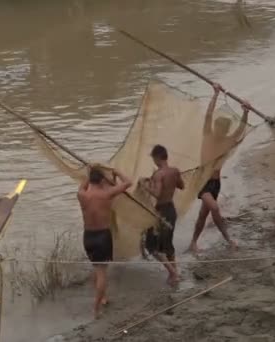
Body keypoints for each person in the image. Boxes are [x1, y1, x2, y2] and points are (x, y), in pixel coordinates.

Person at [189, 82, 251, 253]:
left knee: (203, 215)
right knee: (215, 208)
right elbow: (208, 114)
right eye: (217, 127)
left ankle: (193, 243)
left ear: (224, 131)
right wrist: (215, 94)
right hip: (202, 181)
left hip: (215, 183)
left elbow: (240, 130)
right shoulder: (207, 134)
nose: (218, 131)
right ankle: (229, 240)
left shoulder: (226, 141)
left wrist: (246, 112)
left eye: (222, 129)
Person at [77, 164, 132, 319]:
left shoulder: (81, 194)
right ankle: (95, 309)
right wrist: (117, 171)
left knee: (96, 269)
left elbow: (84, 184)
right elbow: (128, 182)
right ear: (102, 181)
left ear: (90, 180)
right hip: (102, 236)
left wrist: (89, 172)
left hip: (88, 236)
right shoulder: (107, 194)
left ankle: (103, 298)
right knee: (101, 273)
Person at [139, 144, 184, 287]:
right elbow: (181, 186)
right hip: (171, 210)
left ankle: (173, 273)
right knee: (168, 244)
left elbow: (157, 194)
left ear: (158, 157)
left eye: (153, 157)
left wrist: (145, 185)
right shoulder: (175, 171)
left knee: (151, 245)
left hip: (161, 212)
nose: (153, 161)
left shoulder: (159, 174)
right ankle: (175, 273)